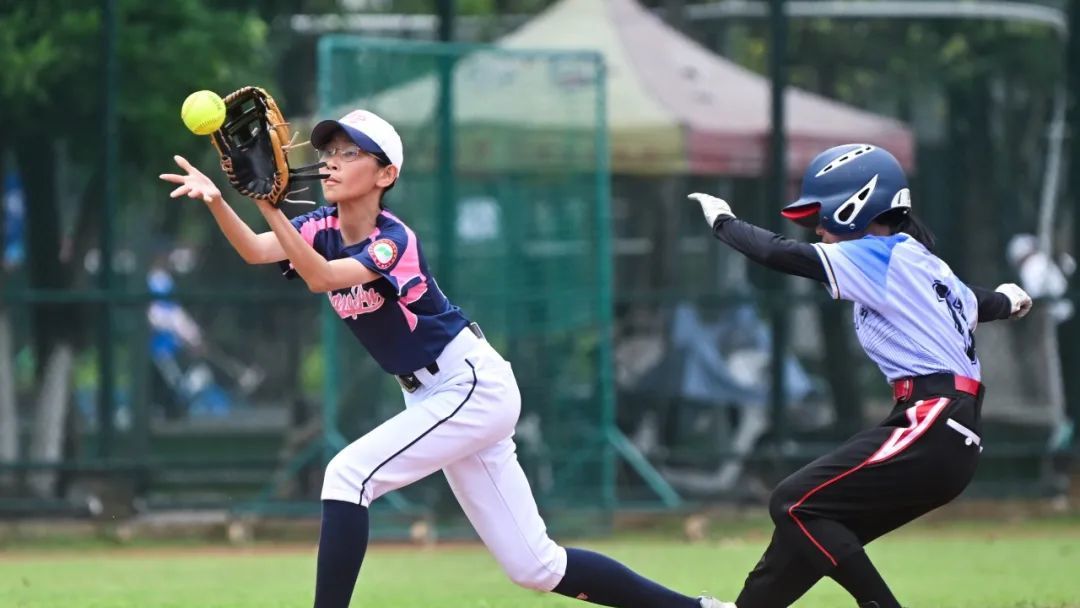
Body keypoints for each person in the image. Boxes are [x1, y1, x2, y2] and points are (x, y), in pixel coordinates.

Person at [160, 109, 726, 608]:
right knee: (537, 566)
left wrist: (269, 206)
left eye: (350, 153)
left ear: (385, 175)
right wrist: (219, 202)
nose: (330, 160)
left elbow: (322, 278)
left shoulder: (393, 239)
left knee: (348, 474)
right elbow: (258, 249)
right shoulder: (322, 226)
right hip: (435, 395)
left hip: (469, 385)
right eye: (328, 150)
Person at [687, 144, 1033, 608]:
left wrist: (724, 223)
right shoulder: (921, 262)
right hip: (952, 432)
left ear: (855, 206)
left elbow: (778, 253)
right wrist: (1008, 302)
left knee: (792, 502)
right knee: (810, 528)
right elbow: (978, 301)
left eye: (822, 215)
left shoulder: (879, 254)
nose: (817, 228)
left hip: (933, 420)